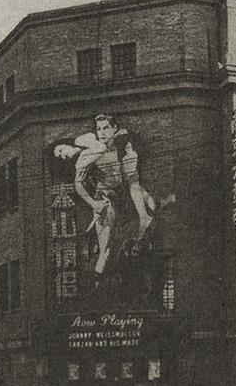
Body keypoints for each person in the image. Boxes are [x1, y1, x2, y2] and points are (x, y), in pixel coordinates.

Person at [54, 115, 158, 279]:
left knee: (148, 204)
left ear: (114, 128)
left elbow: (133, 179)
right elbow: (78, 184)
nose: (102, 132)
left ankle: (138, 238)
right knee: (106, 242)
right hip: (105, 195)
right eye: (99, 129)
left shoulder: (124, 143)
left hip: (125, 191)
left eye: (105, 128)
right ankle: (100, 270)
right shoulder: (89, 153)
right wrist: (93, 203)